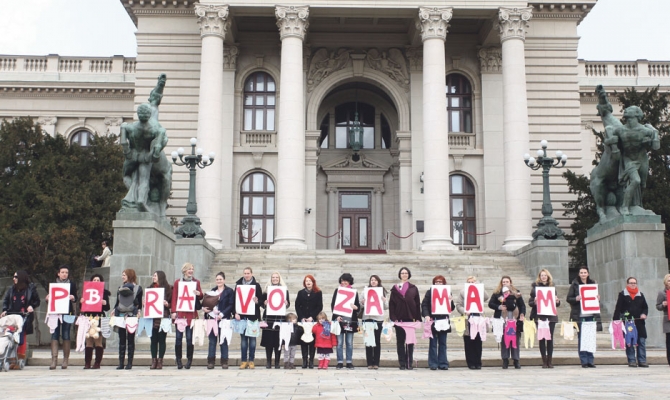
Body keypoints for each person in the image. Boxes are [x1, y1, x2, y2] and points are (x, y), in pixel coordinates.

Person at [1, 270, 40, 370]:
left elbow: (37, 301)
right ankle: (11, 358)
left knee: (21, 336)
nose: (13, 279)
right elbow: (6, 301)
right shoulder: (11, 289)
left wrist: (32, 306)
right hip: (12, 315)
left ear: (21, 278)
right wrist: (5, 310)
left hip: (24, 315)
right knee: (10, 335)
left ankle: (20, 358)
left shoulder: (30, 289)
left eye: (16, 277)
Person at [45, 265, 78, 370]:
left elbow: (76, 297)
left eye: (66, 272)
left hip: (68, 312)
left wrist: (73, 297)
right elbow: (49, 298)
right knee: (54, 334)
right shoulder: (53, 284)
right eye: (62, 272)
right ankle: (54, 360)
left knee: (66, 333)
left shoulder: (71, 284)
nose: (64, 274)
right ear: (58, 273)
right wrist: (47, 298)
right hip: (55, 313)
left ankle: (65, 360)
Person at [170, 262, 203, 370]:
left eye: (192, 269)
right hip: (181, 314)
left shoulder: (196, 282)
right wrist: (173, 311)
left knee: (189, 339)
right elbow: (174, 297)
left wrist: (198, 293)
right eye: (189, 269)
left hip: (191, 314)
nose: (191, 271)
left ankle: (189, 360)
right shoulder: (178, 282)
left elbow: (201, 296)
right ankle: (178, 360)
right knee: (178, 338)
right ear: (184, 270)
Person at [566, 266, 600, 368]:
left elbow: (595, 299)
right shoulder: (575, 284)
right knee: (582, 338)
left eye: (585, 272)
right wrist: (576, 299)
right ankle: (584, 360)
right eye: (581, 272)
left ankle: (591, 360)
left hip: (591, 314)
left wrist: (598, 298)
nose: (583, 274)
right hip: (580, 315)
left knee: (590, 338)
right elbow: (568, 298)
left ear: (588, 273)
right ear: (579, 274)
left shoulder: (592, 284)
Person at [489, 275, 525, 369]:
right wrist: (499, 307)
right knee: (504, 340)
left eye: (507, 282)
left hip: (514, 319)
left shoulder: (516, 293)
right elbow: (490, 304)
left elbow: (522, 305)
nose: (505, 283)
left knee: (515, 340)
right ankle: (505, 360)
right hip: (502, 320)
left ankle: (516, 360)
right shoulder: (497, 293)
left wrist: (522, 314)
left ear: (510, 282)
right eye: (503, 282)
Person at [389, 267, 421, 370]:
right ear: (400, 275)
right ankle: (402, 363)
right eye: (402, 273)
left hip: (410, 319)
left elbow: (417, 303)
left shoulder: (413, 288)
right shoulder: (395, 288)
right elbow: (391, 305)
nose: (404, 274)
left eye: (406, 273)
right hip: (399, 320)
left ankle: (409, 363)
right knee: (400, 342)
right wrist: (393, 318)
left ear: (408, 275)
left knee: (410, 342)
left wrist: (418, 317)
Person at [613, 276, 649, 368]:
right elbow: (618, 308)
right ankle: (632, 360)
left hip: (639, 323)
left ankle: (642, 360)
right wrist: (616, 320)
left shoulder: (640, 295)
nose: (633, 284)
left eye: (634, 283)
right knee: (629, 342)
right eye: (631, 283)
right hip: (628, 323)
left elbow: (645, 307)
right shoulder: (622, 295)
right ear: (627, 284)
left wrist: (644, 314)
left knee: (641, 341)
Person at [528, 269, 561, 368]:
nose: (543, 277)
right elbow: (530, 303)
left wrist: (557, 301)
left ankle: (549, 361)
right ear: (539, 277)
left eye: (545, 275)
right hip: (540, 316)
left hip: (551, 316)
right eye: (542, 275)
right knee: (542, 338)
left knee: (550, 338)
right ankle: (544, 360)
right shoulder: (535, 289)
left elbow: (556, 304)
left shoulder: (552, 288)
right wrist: (534, 301)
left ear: (548, 277)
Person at [421, 275, 454, 371]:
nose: (438, 283)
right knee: (433, 343)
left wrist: (451, 300)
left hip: (443, 320)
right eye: (436, 282)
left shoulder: (447, 292)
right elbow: (424, 304)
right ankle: (433, 363)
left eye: (440, 282)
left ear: (444, 283)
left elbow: (451, 308)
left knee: (443, 343)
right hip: (433, 320)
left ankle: (443, 363)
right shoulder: (430, 292)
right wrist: (426, 315)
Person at [455, 276, 488, 370]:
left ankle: (478, 362)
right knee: (469, 341)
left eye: (473, 282)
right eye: (469, 282)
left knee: (478, 340)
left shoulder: (479, 290)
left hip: (478, 317)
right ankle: (470, 362)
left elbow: (486, 297)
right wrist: (464, 311)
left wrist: (480, 287)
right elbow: (458, 305)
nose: (471, 283)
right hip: (468, 318)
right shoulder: (463, 292)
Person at [202, 271, 234, 369]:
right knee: (212, 340)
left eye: (220, 279)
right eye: (217, 279)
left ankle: (224, 361)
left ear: (224, 280)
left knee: (223, 340)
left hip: (224, 319)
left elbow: (231, 305)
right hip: (213, 319)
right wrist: (205, 309)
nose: (218, 281)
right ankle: (211, 361)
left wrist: (222, 314)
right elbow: (207, 303)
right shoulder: (213, 290)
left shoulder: (229, 291)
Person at [112, 268, 142, 370]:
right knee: (125, 339)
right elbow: (118, 302)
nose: (122, 277)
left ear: (129, 275)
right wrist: (114, 310)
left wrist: (138, 311)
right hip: (125, 315)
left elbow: (138, 303)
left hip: (128, 315)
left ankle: (126, 363)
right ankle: (124, 363)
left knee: (127, 339)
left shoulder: (137, 288)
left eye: (124, 275)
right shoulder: (121, 288)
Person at [79, 274, 110, 369]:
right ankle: (87, 362)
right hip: (88, 317)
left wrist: (104, 303)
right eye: (94, 280)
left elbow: (107, 308)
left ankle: (97, 363)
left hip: (98, 317)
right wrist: (81, 302)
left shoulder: (104, 293)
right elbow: (82, 308)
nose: (96, 281)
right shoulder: (87, 291)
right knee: (88, 341)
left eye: (98, 280)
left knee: (98, 341)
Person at [234, 267, 263, 369]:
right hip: (242, 317)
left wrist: (257, 301)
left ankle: (251, 360)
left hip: (253, 317)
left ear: (252, 274)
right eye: (245, 273)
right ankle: (243, 361)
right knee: (243, 340)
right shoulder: (238, 285)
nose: (246, 275)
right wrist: (235, 313)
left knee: (252, 340)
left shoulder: (256, 285)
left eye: (248, 273)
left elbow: (261, 301)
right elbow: (235, 300)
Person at [260, 271, 290, 369]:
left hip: (279, 317)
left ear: (279, 278)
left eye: (277, 277)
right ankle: (268, 362)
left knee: (278, 341)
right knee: (268, 341)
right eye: (273, 277)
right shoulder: (266, 290)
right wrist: (264, 303)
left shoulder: (284, 290)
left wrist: (286, 303)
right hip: (268, 317)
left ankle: (277, 362)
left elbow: (288, 304)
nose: (275, 279)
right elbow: (261, 304)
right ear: (271, 278)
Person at [331, 272, 360, 370]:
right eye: (342, 281)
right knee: (339, 343)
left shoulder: (354, 292)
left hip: (350, 320)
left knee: (349, 342)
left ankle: (349, 362)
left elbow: (358, 306)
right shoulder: (337, 291)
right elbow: (333, 304)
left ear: (350, 281)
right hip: (340, 320)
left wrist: (356, 307)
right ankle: (339, 362)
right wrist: (336, 316)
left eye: (346, 281)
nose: (344, 282)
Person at [360, 274, 388, 369]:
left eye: (375, 280)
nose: (373, 281)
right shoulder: (365, 291)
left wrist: (384, 301)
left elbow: (386, 307)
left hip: (378, 319)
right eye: (372, 280)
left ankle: (376, 362)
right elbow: (360, 304)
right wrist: (362, 303)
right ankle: (369, 362)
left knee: (377, 340)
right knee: (368, 341)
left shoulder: (382, 291)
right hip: (367, 318)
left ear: (378, 282)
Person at [295, 274, 322, 369]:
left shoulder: (318, 292)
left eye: (310, 280)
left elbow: (319, 306)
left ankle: (311, 361)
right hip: (303, 321)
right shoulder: (300, 293)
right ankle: (304, 360)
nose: (308, 282)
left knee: (312, 341)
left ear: (313, 282)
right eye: (306, 281)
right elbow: (297, 306)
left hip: (313, 321)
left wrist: (312, 316)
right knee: (303, 341)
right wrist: (302, 317)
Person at [148, 270, 171, 370]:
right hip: (152, 317)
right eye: (153, 276)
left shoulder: (168, 289)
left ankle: (160, 360)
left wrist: (167, 304)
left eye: (155, 276)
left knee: (162, 339)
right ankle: (154, 361)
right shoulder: (150, 288)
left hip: (163, 316)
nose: (153, 277)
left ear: (160, 277)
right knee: (153, 340)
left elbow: (172, 303)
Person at [655, 274, 670, 366]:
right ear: (665, 282)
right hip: (668, 321)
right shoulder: (662, 293)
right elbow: (658, 306)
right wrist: (663, 305)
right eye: (669, 280)